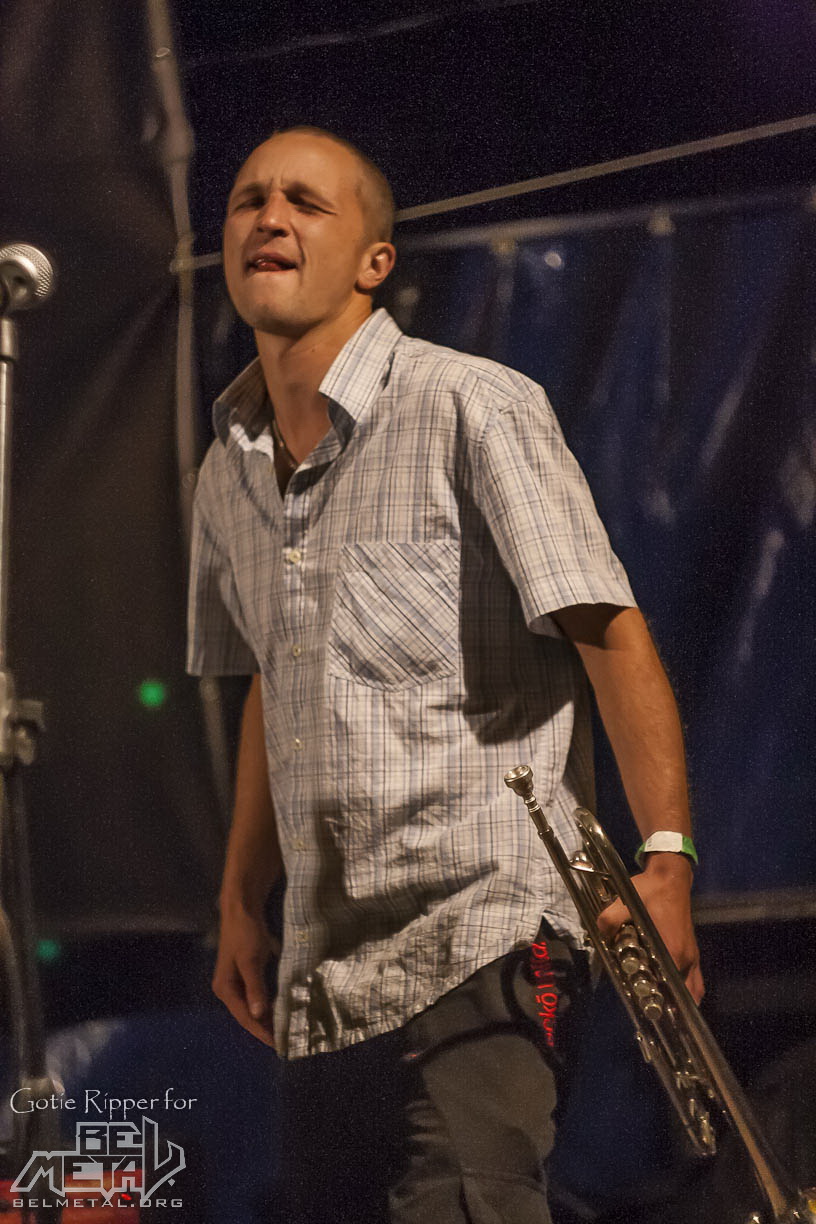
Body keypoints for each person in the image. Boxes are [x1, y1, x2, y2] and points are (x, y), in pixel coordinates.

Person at [186, 125, 703, 1224]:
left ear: (374, 261)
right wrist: (239, 898)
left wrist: (666, 860)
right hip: (326, 973)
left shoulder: (471, 402)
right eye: (248, 199)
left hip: (487, 929)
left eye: (304, 203)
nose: (268, 217)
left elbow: (609, 631)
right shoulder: (224, 472)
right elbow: (276, 684)